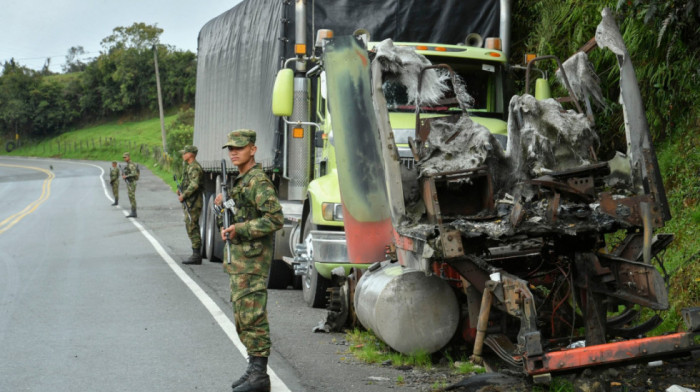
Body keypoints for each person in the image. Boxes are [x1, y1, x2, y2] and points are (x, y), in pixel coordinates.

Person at [215, 129, 283, 392]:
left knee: (253, 316)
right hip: (241, 261)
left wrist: (240, 229)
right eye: (231, 148)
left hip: (253, 261)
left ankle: (259, 376)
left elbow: (275, 219)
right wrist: (224, 210)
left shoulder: (258, 181)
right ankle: (253, 368)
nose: (234, 152)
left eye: (239, 148)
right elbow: (240, 214)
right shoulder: (241, 181)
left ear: (253, 150)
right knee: (243, 317)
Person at [178, 145, 204, 265]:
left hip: (193, 202)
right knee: (190, 225)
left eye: (185, 153)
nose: (183, 155)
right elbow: (189, 183)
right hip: (190, 202)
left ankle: (196, 254)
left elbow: (195, 184)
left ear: (191, 154)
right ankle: (196, 253)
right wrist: (181, 191)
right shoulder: (189, 167)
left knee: (192, 226)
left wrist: (184, 195)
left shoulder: (195, 168)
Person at [122, 152, 139, 218]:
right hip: (130, 183)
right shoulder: (128, 164)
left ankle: (134, 212)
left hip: (132, 183)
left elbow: (134, 173)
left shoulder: (131, 165)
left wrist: (126, 176)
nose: (124, 158)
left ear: (128, 157)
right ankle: (133, 211)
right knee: (130, 196)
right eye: (123, 157)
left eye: (125, 157)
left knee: (132, 197)